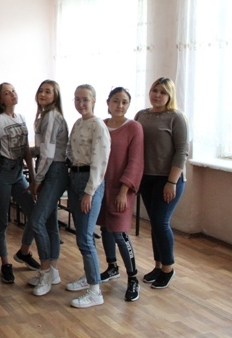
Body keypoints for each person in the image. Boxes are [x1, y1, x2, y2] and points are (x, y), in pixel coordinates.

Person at [135, 77, 188, 289]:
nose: (157, 95)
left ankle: (168, 268)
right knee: (154, 224)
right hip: (146, 177)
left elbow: (182, 151)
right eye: (154, 90)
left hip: (168, 179)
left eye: (163, 92)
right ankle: (157, 266)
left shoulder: (176, 117)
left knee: (160, 222)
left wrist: (171, 182)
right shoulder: (141, 115)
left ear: (170, 96)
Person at [65, 84, 111, 309]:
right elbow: (70, 152)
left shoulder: (98, 125)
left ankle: (95, 291)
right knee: (82, 236)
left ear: (94, 101)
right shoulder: (77, 123)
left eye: (85, 99)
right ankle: (88, 276)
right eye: (77, 99)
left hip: (89, 182)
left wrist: (89, 192)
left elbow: (100, 162)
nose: (81, 103)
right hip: (74, 178)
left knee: (84, 236)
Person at [98, 87, 144, 302]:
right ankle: (112, 266)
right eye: (116, 101)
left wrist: (124, 191)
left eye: (124, 102)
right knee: (105, 228)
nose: (120, 105)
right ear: (108, 102)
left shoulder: (134, 128)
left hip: (121, 189)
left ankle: (133, 278)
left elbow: (135, 162)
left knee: (119, 232)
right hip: (101, 186)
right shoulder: (101, 124)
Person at [0, 82, 40, 284]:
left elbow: (26, 149)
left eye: (13, 91)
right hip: (3, 171)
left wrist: (33, 176)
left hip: (19, 172)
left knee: (35, 213)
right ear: (0, 100)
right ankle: (5, 263)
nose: (12, 94)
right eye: (7, 93)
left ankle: (24, 251)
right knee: (2, 220)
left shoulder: (21, 118)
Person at [28, 80, 68, 297]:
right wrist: (28, 151)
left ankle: (44, 272)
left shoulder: (51, 115)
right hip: (51, 170)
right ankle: (52, 271)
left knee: (36, 221)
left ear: (56, 96)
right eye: (41, 90)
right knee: (50, 223)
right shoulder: (45, 115)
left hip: (54, 172)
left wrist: (37, 179)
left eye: (48, 91)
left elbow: (48, 154)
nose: (43, 94)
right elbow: (43, 149)